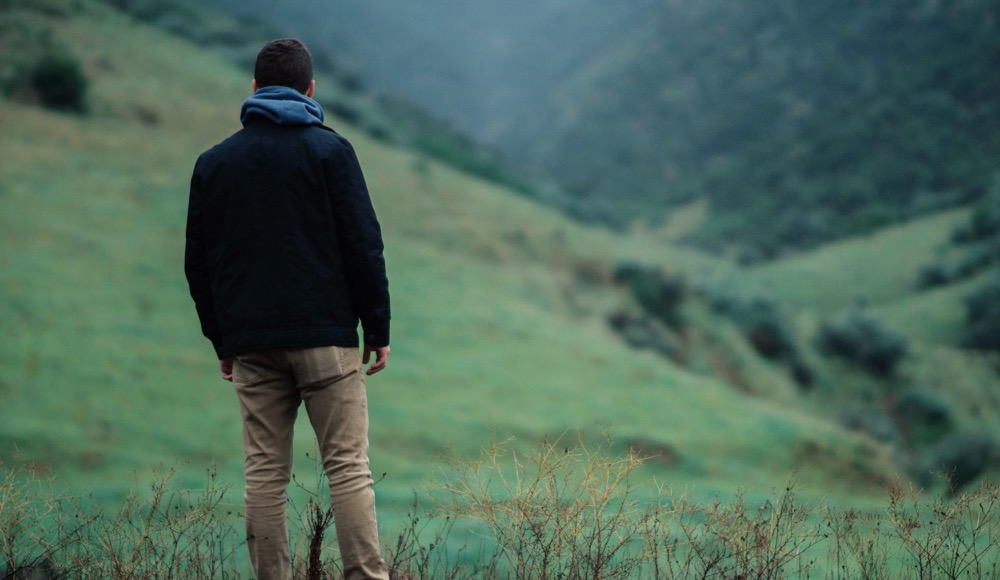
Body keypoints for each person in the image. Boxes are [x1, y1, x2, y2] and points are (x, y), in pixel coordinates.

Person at [184, 38, 391, 580]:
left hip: (252, 343)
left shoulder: (214, 163)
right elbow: (364, 245)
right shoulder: (331, 152)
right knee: (347, 469)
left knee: (264, 475)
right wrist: (377, 328)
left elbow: (197, 264)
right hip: (327, 338)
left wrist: (222, 340)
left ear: (254, 89)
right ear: (310, 90)